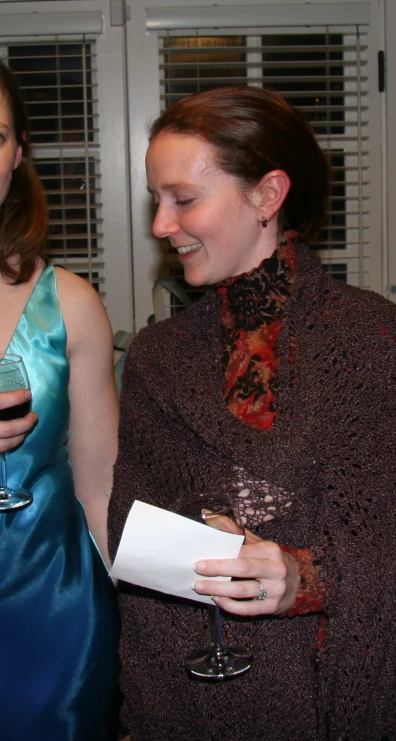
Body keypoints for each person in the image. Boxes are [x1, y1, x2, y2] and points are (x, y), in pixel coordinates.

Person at [108, 86, 396, 741]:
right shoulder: (155, 358)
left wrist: (303, 577)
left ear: (268, 194)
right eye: (156, 201)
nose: (161, 227)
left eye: (184, 199)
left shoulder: (382, 345)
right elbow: (135, 539)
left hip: (346, 702)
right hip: (203, 706)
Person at [0, 60, 120, 740]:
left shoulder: (72, 302)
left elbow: (101, 489)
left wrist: (145, 628)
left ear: (18, 154)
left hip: (58, 615)